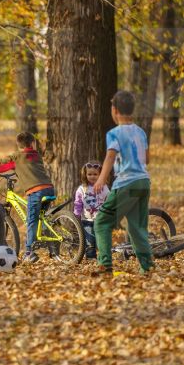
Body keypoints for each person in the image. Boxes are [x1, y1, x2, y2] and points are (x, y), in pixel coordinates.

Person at [93, 90, 154, 276]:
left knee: (102, 222)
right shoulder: (140, 132)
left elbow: (110, 155)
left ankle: (105, 266)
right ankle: (147, 267)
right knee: (137, 227)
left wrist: (101, 178)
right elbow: (147, 158)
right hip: (143, 183)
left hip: (126, 184)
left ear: (114, 110)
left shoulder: (114, 133)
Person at [0, 132, 54, 263]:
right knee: (41, 217)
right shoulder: (36, 155)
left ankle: (28, 252)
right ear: (33, 144)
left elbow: (0, 164)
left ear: (18, 145)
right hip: (49, 188)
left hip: (36, 191)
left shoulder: (17, 157)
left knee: (31, 220)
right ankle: (49, 244)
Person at [73, 161, 109, 259]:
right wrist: (76, 214)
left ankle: (103, 257)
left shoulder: (104, 187)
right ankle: (90, 258)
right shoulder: (82, 189)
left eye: (95, 174)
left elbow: (109, 200)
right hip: (87, 220)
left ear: (100, 175)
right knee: (89, 240)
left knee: (101, 239)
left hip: (100, 219)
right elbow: (78, 203)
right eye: (89, 174)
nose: (92, 176)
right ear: (85, 175)